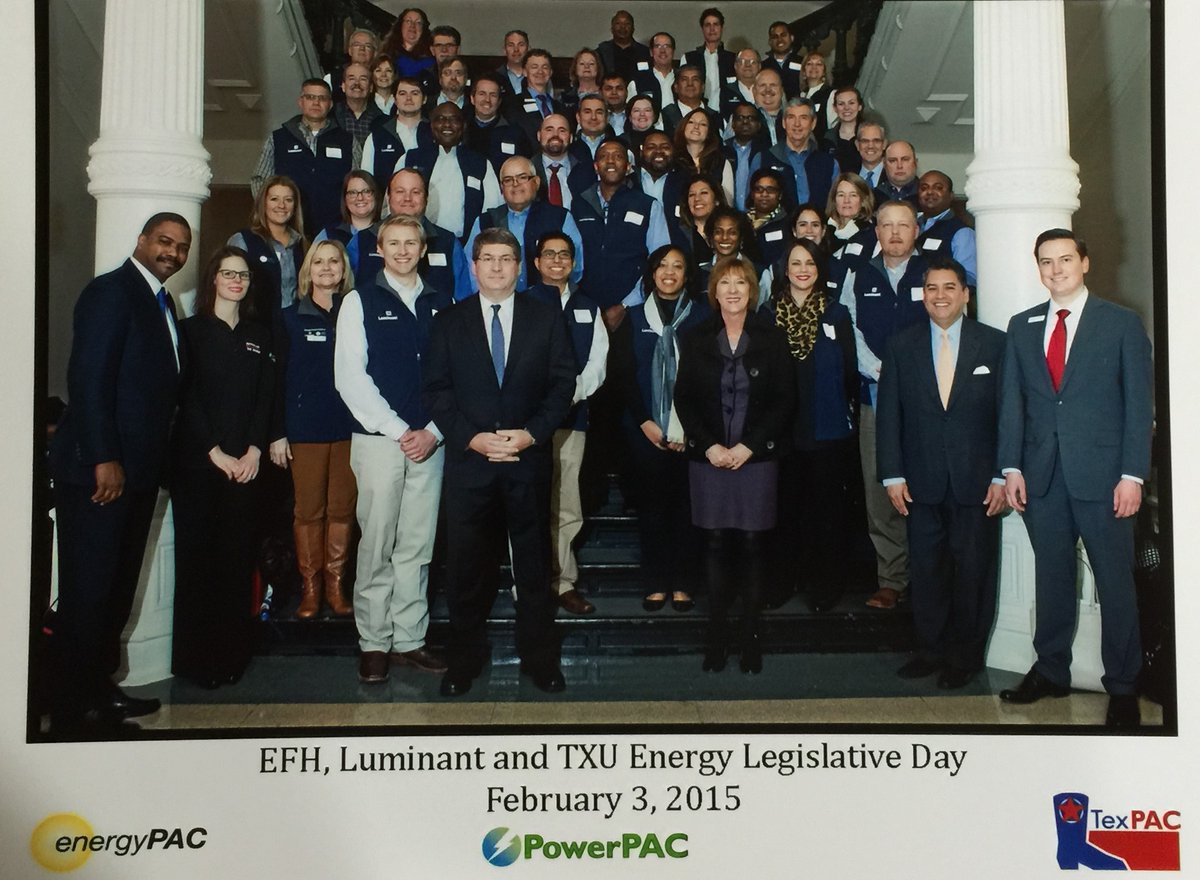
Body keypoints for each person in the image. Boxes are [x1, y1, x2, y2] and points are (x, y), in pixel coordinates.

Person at [997, 229, 1153, 728]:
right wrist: (1012, 467)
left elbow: (1138, 408)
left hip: (1106, 477)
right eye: (1046, 261)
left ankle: (1123, 685)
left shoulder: (1122, 324)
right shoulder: (1021, 327)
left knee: (1114, 581)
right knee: (1053, 577)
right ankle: (1050, 670)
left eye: (1066, 259)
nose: (1056, 269)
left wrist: (1133, 475)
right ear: (1038, 269)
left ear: (1084, 263)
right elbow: (1012, 404)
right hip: (1041, 475)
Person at [49, 213, 191, 737]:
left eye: (180, 246)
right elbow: (87, 379)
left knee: (113, 589)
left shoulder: (162, 302)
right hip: (99, 472)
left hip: (136, 473)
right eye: (163, 241)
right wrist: (103, 457)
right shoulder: (112, 292)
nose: (172, 252)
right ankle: (70, 709)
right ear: (141, 240)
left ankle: (97, 689)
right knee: (88, 591)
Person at [422, 228, 578, 696]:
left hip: (526, 461)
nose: (495, 267)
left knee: (532, 568)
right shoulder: (449, 321)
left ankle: (539, 658)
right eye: (486, 259)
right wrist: (472, 439)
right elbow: (436, 390)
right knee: (467, 569)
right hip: (471, 465)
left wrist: (530, 434)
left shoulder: (546, 318)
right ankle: (463, 661)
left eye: (505, 258)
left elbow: (562, 384)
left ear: (519, 266)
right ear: (472, 267)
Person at [876, 256, 1007, 688]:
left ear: (965, 294)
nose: (940, 296)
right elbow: (889, 415)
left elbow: (1009, 414)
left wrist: (1003, 475)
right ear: (923, 295)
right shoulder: (901, 344)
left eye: (949, 287)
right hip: (920, 481)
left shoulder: (995, 344)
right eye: (932, 288)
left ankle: (964, 658)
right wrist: (892, 475)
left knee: (972, 572)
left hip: (979, 482)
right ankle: (930, 651)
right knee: (928, 571)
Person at [334, 214, 451, 684]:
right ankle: (374, 642)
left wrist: (434, 431)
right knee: (378, 542)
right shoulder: (358, 301)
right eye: (393, 243)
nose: (403, 251)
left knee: (417, 545)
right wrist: (399, 428)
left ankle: (409, 637)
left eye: (411, 243)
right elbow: (350, 377)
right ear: (379, 248)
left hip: (432, 441)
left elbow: (458, 374)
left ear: (423, 249)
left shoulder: (443, 302)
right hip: (381, 442)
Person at [674, 256, 793, 673]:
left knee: (752, 543)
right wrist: (707, 446)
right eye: (724, 282)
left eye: (740, 282)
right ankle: (716, 635)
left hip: (755, 458)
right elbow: (684, 398)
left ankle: (751, 636)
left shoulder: (772, 336)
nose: (732, 290)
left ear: (751, 290)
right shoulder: (695, 336)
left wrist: (750, 447)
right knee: (715, 542)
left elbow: (784, 400)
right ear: (714, 290)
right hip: (710, 457)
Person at [171, 246, 277, 689]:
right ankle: (195, 661)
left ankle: (232, 654)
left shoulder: (259, 335)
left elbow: (265, 397)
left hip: (246, 467)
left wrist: (253, 450)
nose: (236, 280)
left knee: (236, 561)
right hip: (201, 464)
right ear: (213, 278)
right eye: (228, 273)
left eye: (244, 275)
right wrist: (214, 452)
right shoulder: (188, 332)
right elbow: (185, 397)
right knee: (198, 562)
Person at [839, 200, 929, 610]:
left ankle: (928, 579)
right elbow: (848, 326)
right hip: (876, 395)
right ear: (875, 231)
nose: (894, 233)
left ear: (916, 231)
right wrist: (875, 369)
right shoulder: (858, 274)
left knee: (927, 486)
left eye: (903, 226)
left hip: (929, 399)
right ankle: (891, 579)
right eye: (886, 225)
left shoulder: (934, 273)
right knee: (881, 490)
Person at [609, 245, 708, 614]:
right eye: (662, 266)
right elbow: (622, 376)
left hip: (692, 432)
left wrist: (689, 427)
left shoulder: (702, 317)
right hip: (643, 430)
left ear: (687, 275)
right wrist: (645, 422)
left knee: (686, 508)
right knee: (651, 509)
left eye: (677, 266)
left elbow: (707, 378)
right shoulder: (633, 318)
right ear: (651, 273)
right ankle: (654, 582)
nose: (669, 272)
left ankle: (683, 583)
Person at [764, 238, 858, 612]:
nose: (803, 269)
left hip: (827, 430)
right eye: (796, 263)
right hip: (782, 431)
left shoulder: (837, 314)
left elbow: (849, 372)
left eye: (810, 263)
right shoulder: (768, 315)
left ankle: (824, 588)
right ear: (785, 269)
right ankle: (783, 582)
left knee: (826, 514)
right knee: (784, 512)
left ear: (820, 271)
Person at [525, 232, 609, 616]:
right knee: (528, 503)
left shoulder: (587, 307)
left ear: (573, 263)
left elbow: (597, 363)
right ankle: (527, 584)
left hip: (571, 419)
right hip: (526, 424)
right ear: (537, 262)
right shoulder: (521, 302)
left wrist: (566, 397)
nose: (556, 260)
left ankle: (562, 582)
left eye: (564, 255)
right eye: (549, 254)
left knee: (567, 504)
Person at [275, 240, 359, 620]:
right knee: (309, 511)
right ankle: (310, 589)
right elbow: (274, 381)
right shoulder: (289, 318)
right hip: (304, 429)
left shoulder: (356, 312)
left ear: (344, 269)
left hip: (350, 428)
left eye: (334, 262)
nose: (327, 268)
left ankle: (336, 586)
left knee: (343, 509)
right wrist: (276, 432)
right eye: (319, 261)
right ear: (308, 269)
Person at [572, 138, 671, 324]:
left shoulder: (648, 206)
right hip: (586, 307)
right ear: (595, 166)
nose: (610, 161)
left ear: (628, 167)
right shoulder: (579, 204)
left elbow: (660, 262)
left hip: (634, 309)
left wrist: (625, 305)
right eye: (604, 157)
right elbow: (572, 259)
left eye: (617, 156)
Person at [251, 79, 358, 239]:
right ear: (300, 102)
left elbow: (358, 182)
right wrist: (273, 214)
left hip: (335, 228)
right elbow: (260, 180)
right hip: (287, 229)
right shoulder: (278, 138)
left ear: (330, 104)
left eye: (322, 98)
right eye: (310, 97)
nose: (316, 102)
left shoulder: (348, 140)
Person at [466, 155, 585, 293]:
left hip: (548, 305)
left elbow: (576, 267)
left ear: (536, 182)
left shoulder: (560, 217)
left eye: (522, 177)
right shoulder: (484, 222)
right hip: (498, 303)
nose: (515, 184)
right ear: (501, 188)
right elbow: (471, 269)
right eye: (508, 180)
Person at [401, 102, 503, 241]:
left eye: (454, 119)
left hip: (465, 244)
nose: (447, 124)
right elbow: (393, 203)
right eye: (440, 119)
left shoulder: (480, 163)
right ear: (432, 125)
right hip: (416, 240)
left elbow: (492, 210)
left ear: (463, 126)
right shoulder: (410, 159)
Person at [384, 167, 473, 300]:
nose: (407, 198)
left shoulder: (448, 243)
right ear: (388, 197)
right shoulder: (363, 240)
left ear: (426, 198)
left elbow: (465, 301)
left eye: (415, 192)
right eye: (400, 191)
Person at [228, 175, 306, 315]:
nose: (281, 205)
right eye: (274, 199)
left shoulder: (302, 244)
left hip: (294, 325)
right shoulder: (243, 240)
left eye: (288, 200)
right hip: (256, 324)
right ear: (263, 203)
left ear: (295, 206)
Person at [761, 97, 840, 212]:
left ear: (813, 123)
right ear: (784, 122)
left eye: (803, 118)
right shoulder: (764, 159)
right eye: (791, 117)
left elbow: (836, 205)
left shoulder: (829, 163)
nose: (797, 124)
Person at [361, 77, 434, 186]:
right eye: (402, 93)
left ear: (424, 99)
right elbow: (367, 179)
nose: (408, 98)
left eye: (414, 93)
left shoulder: (435, 134)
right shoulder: (377, 136)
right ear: (395, 100)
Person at [313, 170, 382, 282]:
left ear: (376, 196)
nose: (360, 198)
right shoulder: (328, 235)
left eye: (366, 191)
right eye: (353, 193)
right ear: (345, 199)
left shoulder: (387, 234)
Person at [916, 170, 977, 286]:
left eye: (938, 188)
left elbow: (969, 279)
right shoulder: (910, 224)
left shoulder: (962, 233)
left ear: (951, 195)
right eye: (924, 188)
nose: (929, 192)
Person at [464, 73, 533, 174]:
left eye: (493, 95)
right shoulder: (461, 130)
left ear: (499, 101)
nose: (487, 100)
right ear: (472, 99)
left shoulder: (515, 133)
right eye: (482, 94)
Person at [673, 107, 735, 204]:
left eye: (703, 124)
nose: (696, 126)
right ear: (683, 127)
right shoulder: (672, 161)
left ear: (709, 132)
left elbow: (727, 203)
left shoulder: (721, 162)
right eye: (691, 122)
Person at [683, 7, 736, 114]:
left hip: (727, 112)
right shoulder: (689, 58)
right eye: (708, 25)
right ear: (702, 29)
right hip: (696, 112)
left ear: (722, 28)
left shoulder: (733, 59)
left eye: (716, 24)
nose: (712, 29)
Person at [724, 101, 768, 212]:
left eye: (751, 118)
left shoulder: (767, 152)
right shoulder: (722, 151)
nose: (745, 122)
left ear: (759, 125)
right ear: (733, 124)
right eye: (740, 118)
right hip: (727, 216)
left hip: (759, 216)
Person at [660, 64, 721, 139]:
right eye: (684, 80)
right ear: (676, 87)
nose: (690, 84)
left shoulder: (714, 116)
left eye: (695, 79)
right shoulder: (666, 114)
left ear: (702, 87)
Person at [680, 176, 727, 267]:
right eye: (692, 195)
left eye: (704, 193)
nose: (697, 199)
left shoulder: (730, 230)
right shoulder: (678, 233)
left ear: (717, 200)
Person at [333, 62, 383, 147]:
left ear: (371, 88)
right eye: (351, 78)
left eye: (363, 79)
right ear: (343, 86)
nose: (357, 83)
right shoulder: (330, 115)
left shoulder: (382, 121)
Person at [382, 7, 434, 86]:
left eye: (418, 23)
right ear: (400, 25)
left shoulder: (431, 60)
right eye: (408, 21)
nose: (412, 26)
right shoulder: (386, 53)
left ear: (423, 29)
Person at [597, 9, 650, 83]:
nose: (622, 27)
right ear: (612, 29)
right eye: (618, 23)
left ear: (633, 29)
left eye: (627, 24)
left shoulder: (644, 52)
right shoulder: (602, 51)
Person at [823, 86, 866, 174]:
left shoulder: (870, 134)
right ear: (835, 108)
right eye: (841, 104)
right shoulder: (828, 137)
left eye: (851, 103)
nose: (846, 108)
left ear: (860, 106)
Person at [632, 32, 678, 110]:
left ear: (673, 51)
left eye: (667, 46)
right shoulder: (638, 80)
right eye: (658, 46)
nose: (662, 50)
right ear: (651, 52)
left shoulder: (682, 78)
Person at [761, 20, 801, 98]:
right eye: (775, 37)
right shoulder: (763, 67)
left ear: (792, 38)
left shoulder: (803, 62)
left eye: (783, 35)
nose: (780, 40)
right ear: (770, 42)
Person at [875, 140, 920, 208]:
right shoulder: (874, 196)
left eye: (905, 159)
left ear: (915, 163)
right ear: (884, 164)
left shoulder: (926, 195)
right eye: (893, 160)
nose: (899, 166)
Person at [798, 52, 833, 138]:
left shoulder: (831, 94)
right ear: (803, 71)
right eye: (809, 64)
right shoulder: (801, 96)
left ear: (824, 71)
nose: (814, 67)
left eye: (819, 64)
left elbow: (833, 126)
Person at [562, 48, 604, 118]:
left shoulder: (605, 94)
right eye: (582, 64)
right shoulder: (565, 97)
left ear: (598, 68)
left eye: (591, 64)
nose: (586, 67)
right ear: (575, 68)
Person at [496, 29, 530, 98]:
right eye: (511, 45)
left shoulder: (537, 76)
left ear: (528, 49)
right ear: (504, 50)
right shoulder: (495, 77)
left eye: (521, 45)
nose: (516, 49)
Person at [855, 122, 887, 190]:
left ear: (884, 144)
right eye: (865, 141)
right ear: (857, 145)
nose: (870, 146)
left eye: (876, 141)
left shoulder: (894, 175)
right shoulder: (848, 175)